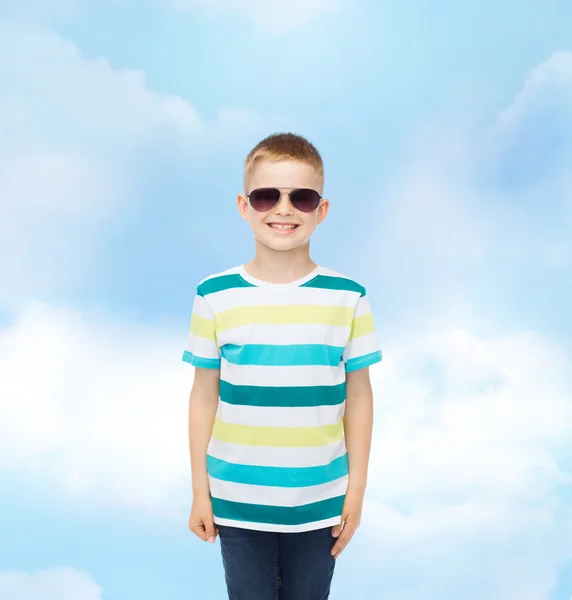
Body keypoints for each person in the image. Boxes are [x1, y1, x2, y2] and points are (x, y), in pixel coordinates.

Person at [183, 132, 382, 599]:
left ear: (322, 209)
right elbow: (203, 395)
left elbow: (360, 396)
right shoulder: (214, 295)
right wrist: (199, 490)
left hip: (320, 501)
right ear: (244, 205)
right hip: (237, 500)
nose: (284, 209)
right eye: (267, 195)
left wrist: (356, 491)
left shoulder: (348, 296)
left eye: (302, 197)